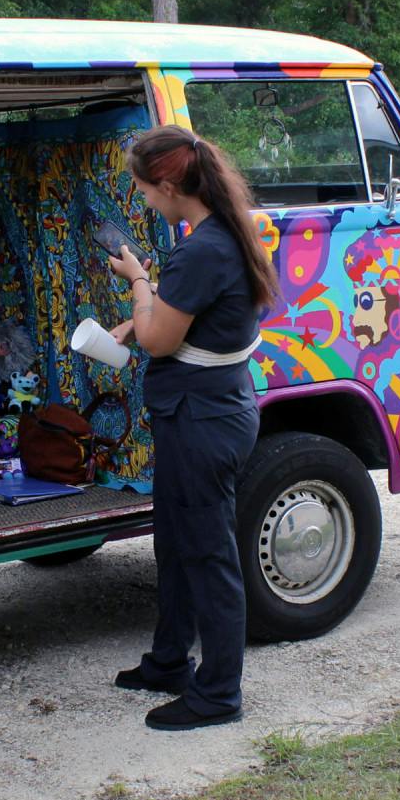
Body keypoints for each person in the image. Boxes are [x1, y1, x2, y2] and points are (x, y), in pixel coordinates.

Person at [105, 125, 279, 731]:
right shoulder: (220, 234)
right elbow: (189, 324)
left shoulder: (202, 249)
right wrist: (148, 304)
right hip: (206, 413)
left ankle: (218, 695)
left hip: (202, 421)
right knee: (176, 546)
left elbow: (158, 338)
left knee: (208, 556)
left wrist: (139, 284)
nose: (145, 201)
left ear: (172, 185)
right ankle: (170, 661)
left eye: (147, 191)